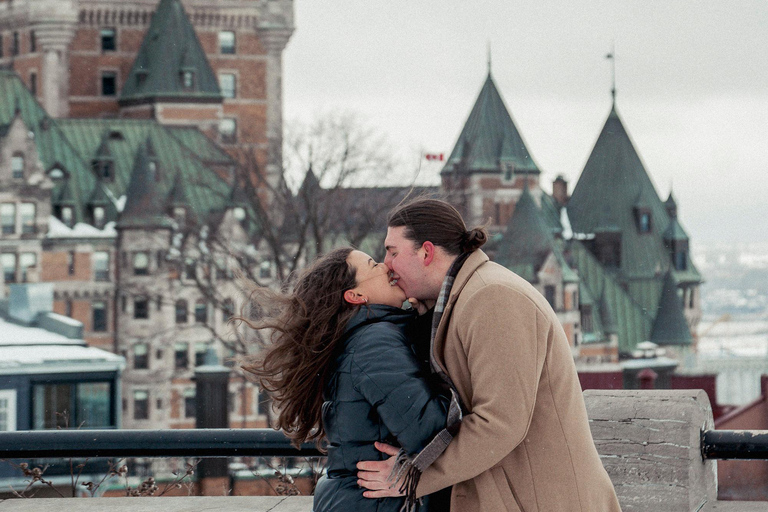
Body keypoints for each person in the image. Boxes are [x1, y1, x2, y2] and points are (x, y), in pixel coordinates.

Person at [357, 198, 621, 512]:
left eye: (393, 252)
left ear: (426, 252)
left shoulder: (493, 298)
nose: (385, 264)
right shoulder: (455, 302)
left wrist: (414, 475)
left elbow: (500, 422)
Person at [240, 247, 450, 511]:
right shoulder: (374, 343)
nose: (386, 267)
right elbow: (432, 431)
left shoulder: (360, 338)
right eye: (374, 265)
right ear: (356, 295)